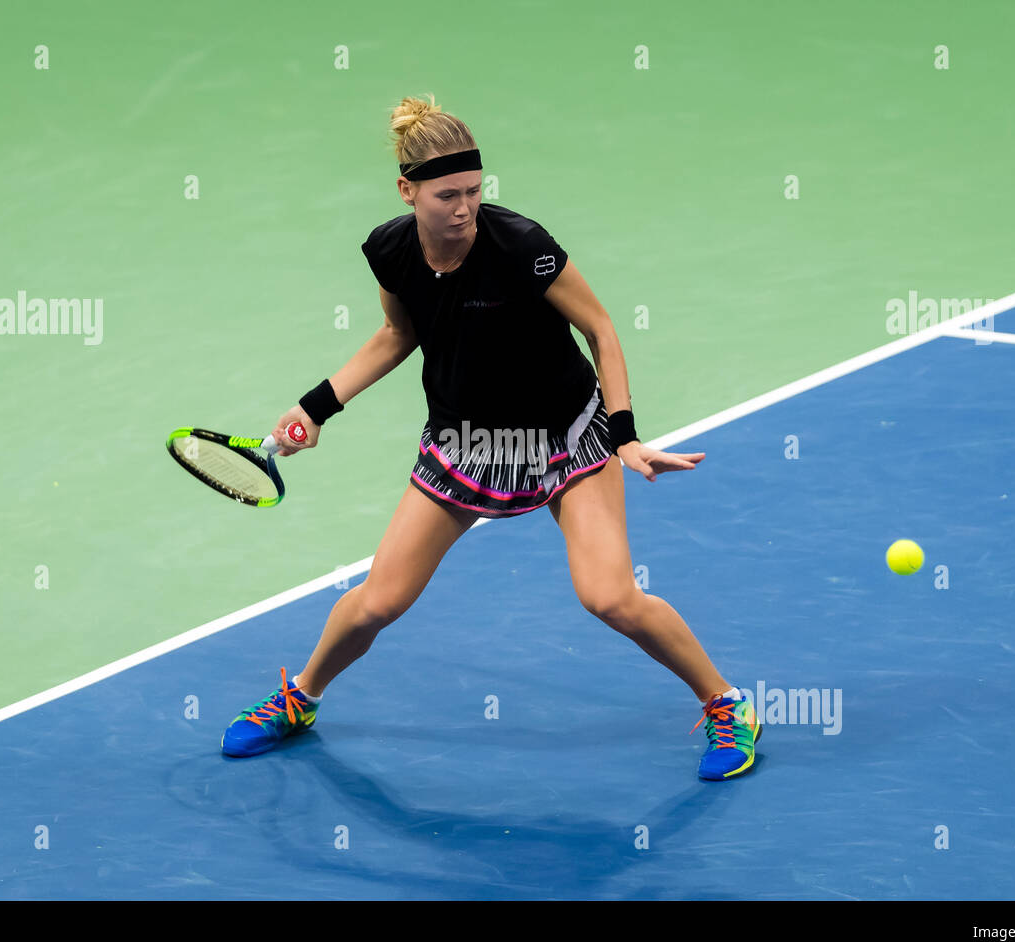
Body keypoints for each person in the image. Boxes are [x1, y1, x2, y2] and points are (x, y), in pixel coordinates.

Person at [221, 94, 760, 780]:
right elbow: (399, 334)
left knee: (610, 597)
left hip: (565, 438)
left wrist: (623, 434)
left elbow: (601, 329)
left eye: (475, 191)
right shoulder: (390, 251)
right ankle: (301, 698)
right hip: (466, 445)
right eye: (448, 194)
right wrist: (318, 407)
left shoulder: (521, 247)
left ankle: (727, 704)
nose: (465, 209)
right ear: (406, 190)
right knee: (378, 601)